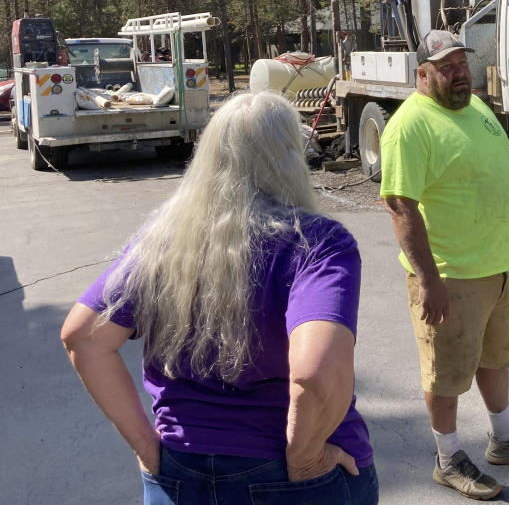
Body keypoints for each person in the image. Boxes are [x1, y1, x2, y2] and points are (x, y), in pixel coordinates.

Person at [61, 91, 378, 505]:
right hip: (288, 473)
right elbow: (314, 372)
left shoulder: (162, 240)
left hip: (178, 470)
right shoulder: (317, 243)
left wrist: (145, 444)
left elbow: (83, 337)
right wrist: (304, 458)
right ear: (289, 156)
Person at [379, 29, 509, 500]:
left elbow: (498, 170)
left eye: (463, 63)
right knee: (445, 374)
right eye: (447, 66)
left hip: (494, 268)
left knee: (494, 358)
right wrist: (428, 280)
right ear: (422, 73)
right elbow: (401, 206)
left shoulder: (475, 108)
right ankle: (447, 458)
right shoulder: (410, 125)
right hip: (450, 275)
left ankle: (504, 439)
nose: (461, 73)